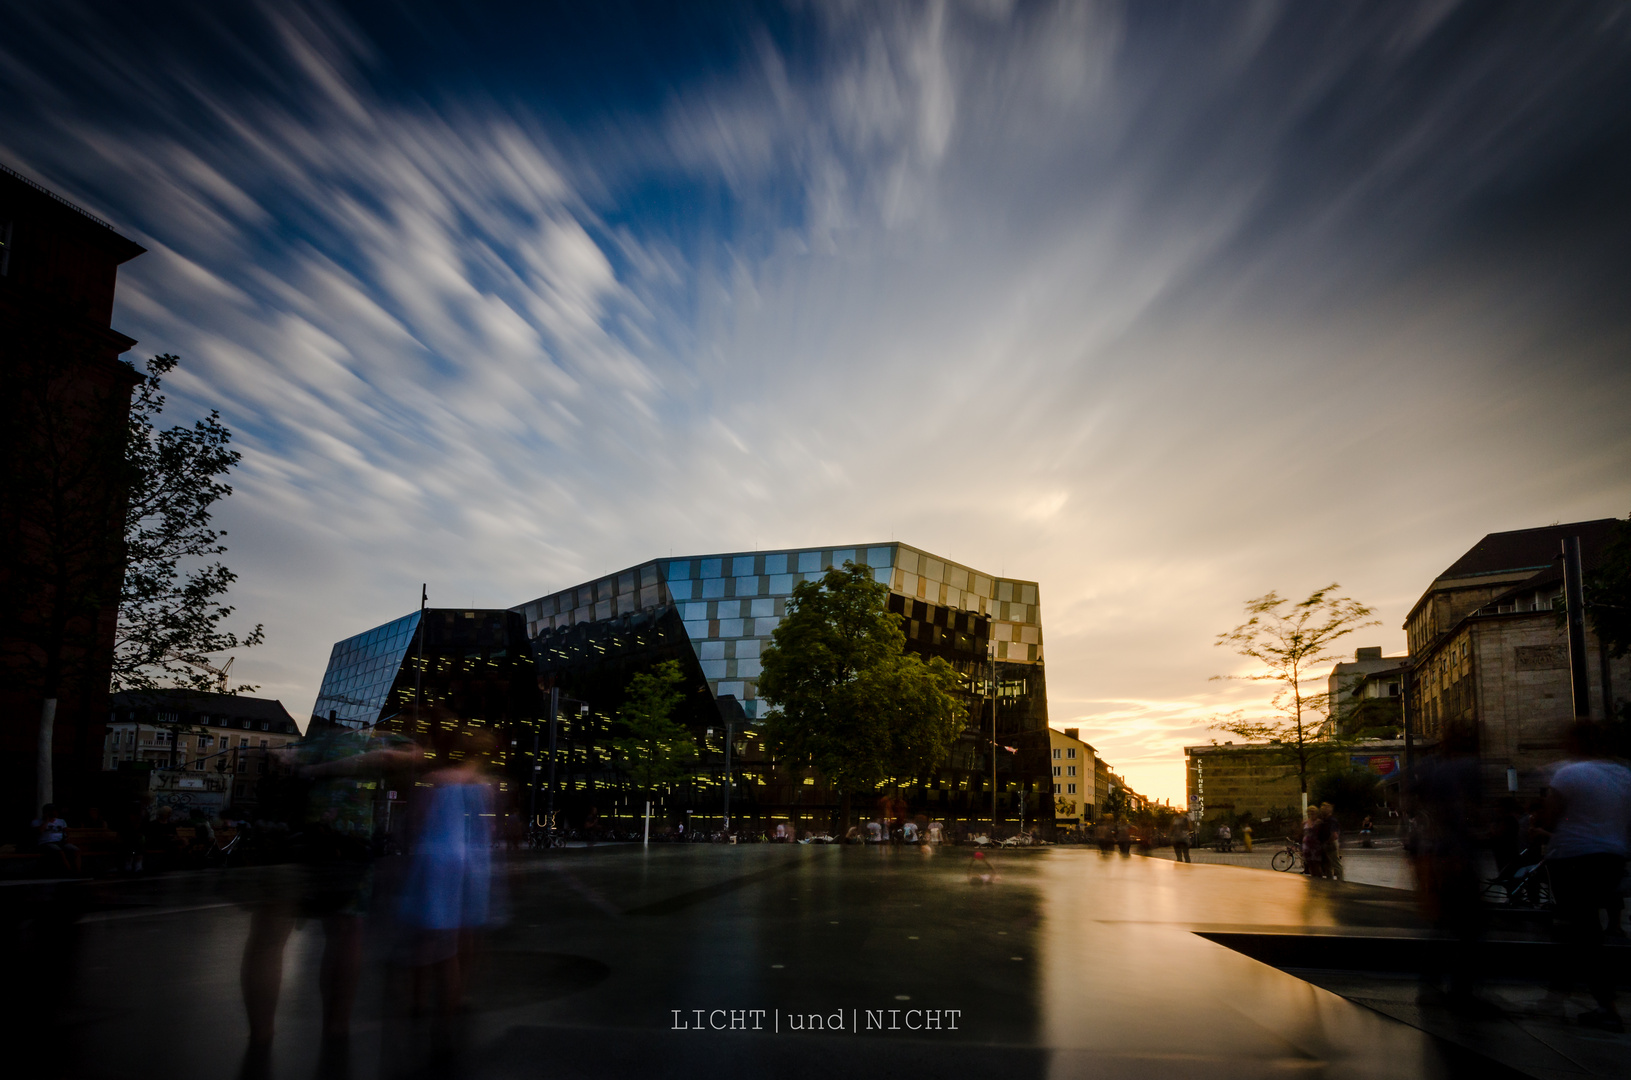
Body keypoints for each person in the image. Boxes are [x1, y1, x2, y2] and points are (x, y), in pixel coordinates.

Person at [239, 715, 421, 1052]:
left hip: (297, 843)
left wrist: (311, 767)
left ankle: (261, 1038)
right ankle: (333, 1033)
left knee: (271, 934)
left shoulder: (310, 745)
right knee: (343, 932)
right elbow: (410, 756)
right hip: (340, 845)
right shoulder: (370, 740)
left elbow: (407, 756)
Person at [1536, 721, 1631, 1031]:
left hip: (1574, 859)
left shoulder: (1569, 774)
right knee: (1580, 930)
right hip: (1611, 859)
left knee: (1579, 932)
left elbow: (1551, 817)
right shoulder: (1623, 773)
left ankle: (1604, 1007)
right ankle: (1558, 997)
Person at [32, 804, 80, 874]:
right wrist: (46, 821)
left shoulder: (61, 821)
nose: (54, 813)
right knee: (59, 852)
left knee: (76, 850)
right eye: (52, 811)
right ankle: (69, 871)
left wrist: (67, 838)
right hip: (46, 842)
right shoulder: (36, 822)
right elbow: (39, 832)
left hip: (60, 842)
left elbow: (66, 832)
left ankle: (78, 871)